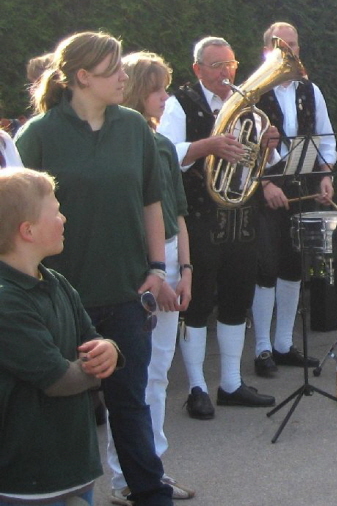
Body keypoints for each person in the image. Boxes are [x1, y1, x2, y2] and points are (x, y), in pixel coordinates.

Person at [15, 32, 175, 506]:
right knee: (60, 407)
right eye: (115, 70)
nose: (126, 76)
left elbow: (152, 201)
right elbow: (14, 222)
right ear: (83, 77)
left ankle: (149, 492)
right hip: (58, 299)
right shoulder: (37, 135)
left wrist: (157, 269)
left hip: (127, 293)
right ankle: (62, 495)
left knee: (131, 403)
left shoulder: (133, 128)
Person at [158, 37, 276, 420]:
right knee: (198, 303)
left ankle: (230, 383)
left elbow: (263, 167)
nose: (225, 73)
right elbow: (166, 153)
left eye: (230, 64)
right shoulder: (180, 104)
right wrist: (208, 145)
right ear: (197, 69)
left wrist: (269, 147)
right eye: (215, 65)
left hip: (242, 217)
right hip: (201, 218)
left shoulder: (250, 109)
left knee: (237, 300)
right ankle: (196, 387)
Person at [0, 168, 121, 506]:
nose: (64, 218)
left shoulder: (56, 281)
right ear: (27, 230)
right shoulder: (7, 300)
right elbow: (57, 380)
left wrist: (108, 349)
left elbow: (91, 338)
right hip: (28, 478)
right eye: (55, 211)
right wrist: (97, 368)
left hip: (73, 467)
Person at [106, 53, 195, 504]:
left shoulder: (160, 144)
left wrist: (185, 271)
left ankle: (148, 468)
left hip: (169, 260)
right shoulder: (127, 142)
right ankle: (130, 475)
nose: (165, 97)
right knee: (136, 377)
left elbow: (176, 210)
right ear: (140, 90)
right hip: (143, 268)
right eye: (159, 89)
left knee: (157, 372)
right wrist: (155, 273)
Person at [250, 22, 337, 378]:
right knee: (266, 268)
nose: (288, 49)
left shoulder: (310, 89)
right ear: (266, 50)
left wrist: (326, 174)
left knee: (293, 266)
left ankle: (284, 344)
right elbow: (243, 145)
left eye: (293, 44)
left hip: (302, 186)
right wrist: (264, 183)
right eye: (280, 44)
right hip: (265, 191)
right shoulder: (252, 91)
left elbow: (325, 136)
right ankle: (262, 349)